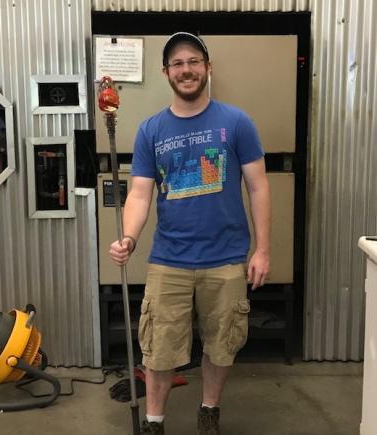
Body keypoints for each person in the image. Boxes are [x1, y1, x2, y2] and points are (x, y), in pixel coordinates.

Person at [109, 32, 271, 435]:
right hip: (170, 260)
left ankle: (209, 414)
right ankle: (154, 422)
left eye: (194, 61)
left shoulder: (236, 122)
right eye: (178, 63)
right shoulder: (150, 130)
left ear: (208, 67)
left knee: (221, 347)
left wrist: (262, 249)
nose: (186, 70)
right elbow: (141, 194)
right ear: (166, 72)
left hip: (227, 259)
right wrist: (128, 237)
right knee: (159, 352)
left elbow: (259, 187)